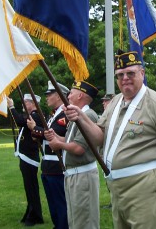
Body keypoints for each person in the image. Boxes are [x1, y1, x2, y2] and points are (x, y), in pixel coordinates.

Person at [62, 50, 156, 228]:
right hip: (117, 188)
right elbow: (100, 137)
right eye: (120, 75)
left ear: (142, 73)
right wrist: (80, 117)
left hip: (147, 188)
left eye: (131, 73)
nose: (125, 78)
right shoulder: (115, 102)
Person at [44, 80, 100, 229]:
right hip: (74, 175)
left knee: (85, 221)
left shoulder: (88, 116)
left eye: (72, 92)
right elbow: (69, 140)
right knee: (75, 219)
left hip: (83, 175)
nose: (68, 95)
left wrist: (59, 144)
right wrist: (55, 136)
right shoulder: (77, 115)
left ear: (80, 95)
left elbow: (79, 148)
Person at [27, 81, 69, 229]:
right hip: (48, 166)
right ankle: (57, 225)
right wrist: (37, 134)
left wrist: (35, 128)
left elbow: (55, 134)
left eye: (49, 94)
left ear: (58, 95)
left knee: (60, 203)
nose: (46, 98)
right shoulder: (53, 115)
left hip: (57, 167)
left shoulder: (63, 115)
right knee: (53, 203)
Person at [7, 94, 44, 227]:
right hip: (26, 156)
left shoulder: (35, 116)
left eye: (25, 102)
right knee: (29, 187)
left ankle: (34, 215)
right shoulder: (32, 115)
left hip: (29, 157)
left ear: (33, 103)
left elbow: (19, 121)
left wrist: (11, 107)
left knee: (31, 188)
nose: (23, 105)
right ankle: (32, 213)